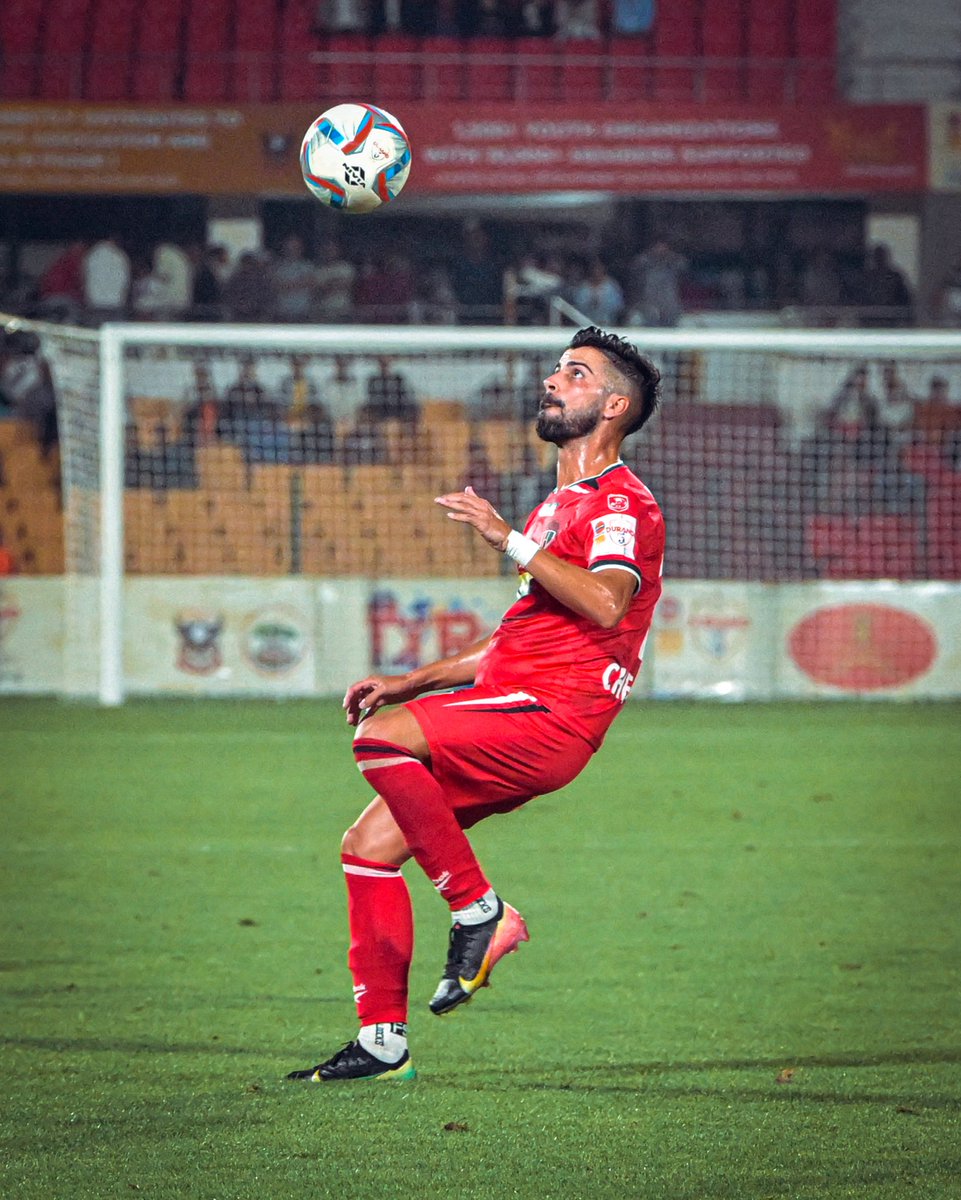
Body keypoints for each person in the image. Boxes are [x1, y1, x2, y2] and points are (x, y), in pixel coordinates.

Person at [287, 326, 664, 1083]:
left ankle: (478, 911)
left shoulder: (621, 503)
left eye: (577, 373)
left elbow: (605, 601)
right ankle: (382, 1043)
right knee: (367, 848)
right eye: (557, 369)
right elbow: (512, 641)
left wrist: (506, 539)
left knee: (381, 741)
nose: (554, 381)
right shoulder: (557, 505)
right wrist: (415, 679)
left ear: (614, 405)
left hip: (552, 714)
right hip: (513, 694)